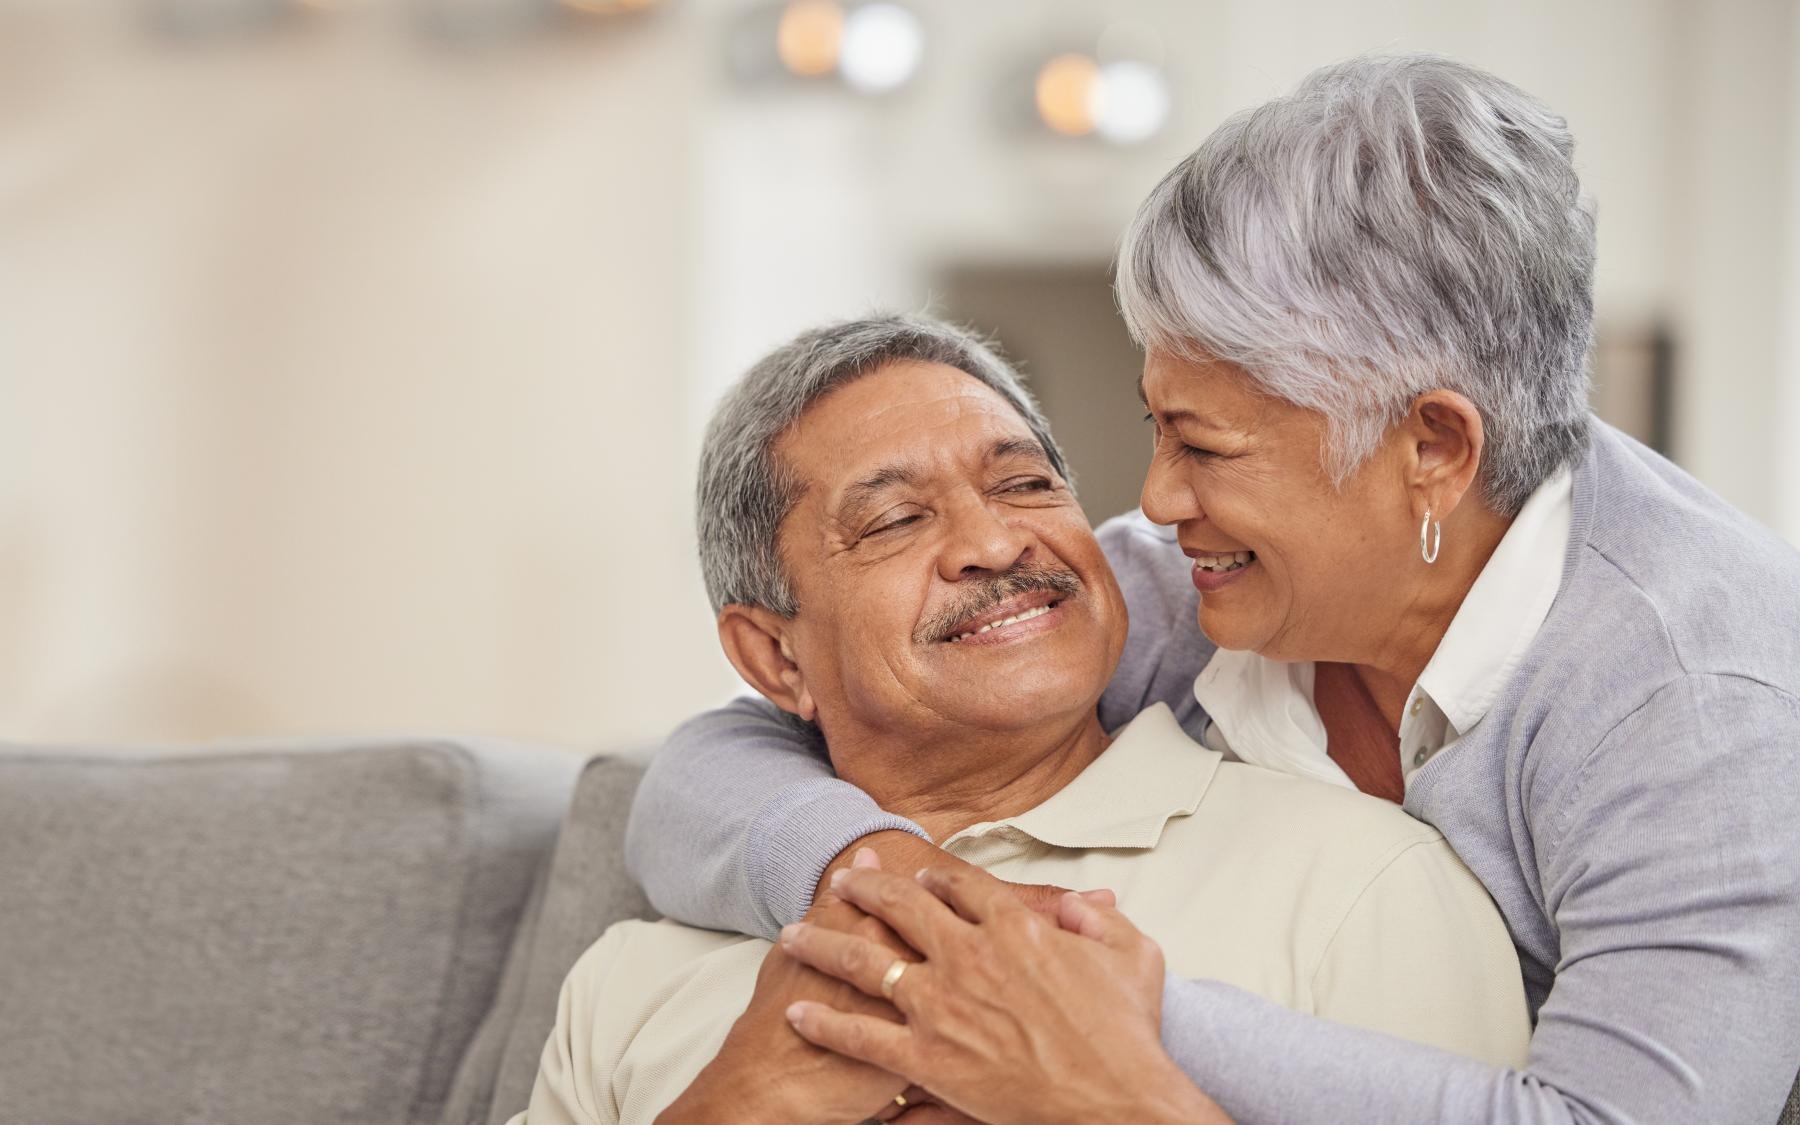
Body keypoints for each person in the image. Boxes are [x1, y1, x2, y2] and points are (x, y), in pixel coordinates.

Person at [626, 55, 1800, 1124]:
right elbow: (712, 763)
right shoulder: (1193, 591)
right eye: (1157, 428)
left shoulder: (1703, 703)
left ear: (1435, 446)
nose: (1159, 498)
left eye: (1206, 446)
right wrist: (891, 887)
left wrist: (1064, 1008)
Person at [510, 316, 1529, 1125]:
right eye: (897, 520)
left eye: (1026, 483)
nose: (995, 542)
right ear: (776, 656)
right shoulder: (633, 979)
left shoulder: (1359, 882)